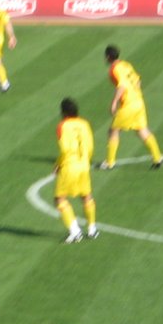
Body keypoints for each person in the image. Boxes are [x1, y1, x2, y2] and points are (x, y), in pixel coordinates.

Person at [100, 45, 163, 170]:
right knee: (142, 130)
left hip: (128, 104)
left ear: (108, 57)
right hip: (139, 101)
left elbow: (122, 86)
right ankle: (158, 158)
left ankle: (110, 162)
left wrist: (114, 103)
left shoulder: (114, 69)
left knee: (113, 131)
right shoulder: (126, 65)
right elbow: (138, 81)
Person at [54, 97, 98, 243]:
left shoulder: (62, 126)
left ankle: (75, 232)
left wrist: (58, 164)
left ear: (63, 112)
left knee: (60, 199)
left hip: (69, 165)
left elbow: (65, 149)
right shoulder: (85, 124)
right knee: (86, 196)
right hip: (84, 165)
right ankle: (92, 229)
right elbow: (90, 146)